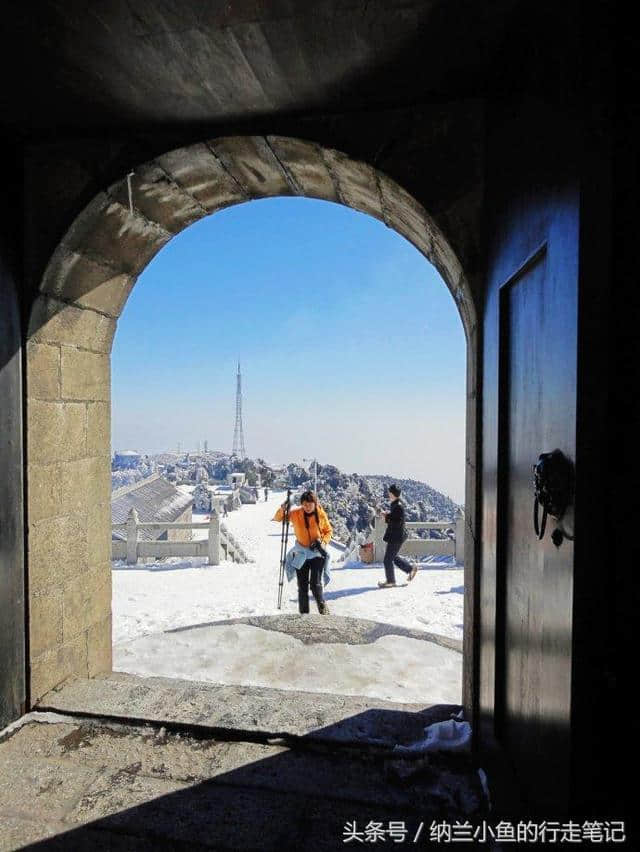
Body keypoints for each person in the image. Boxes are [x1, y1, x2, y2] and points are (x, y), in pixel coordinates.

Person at [273, 490, 332, 614]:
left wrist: (323, 542)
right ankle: (304, 614)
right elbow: (278, 518)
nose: (307, 507)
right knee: (302, 587)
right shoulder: (295, 513)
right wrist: (282, 508)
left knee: (315, 585)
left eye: (310, 504)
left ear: (315, 504)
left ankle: (322, 606)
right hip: (301, 553)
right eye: (304, 504)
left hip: (317, 553)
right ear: (301, 504)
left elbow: (328, 531)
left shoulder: (320, 514)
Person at [378, 484, 418, 588]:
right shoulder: (395, 504)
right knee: (393, 557)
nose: (388, 494)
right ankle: (410, 569)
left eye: (389, 492)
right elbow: (395, 518)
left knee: (387, 559)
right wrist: (388, 515)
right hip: (396, 535)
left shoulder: (398, 506)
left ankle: (391, 581)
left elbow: (397, 522)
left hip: (397, 536)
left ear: (393, 493)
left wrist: (387, 516)